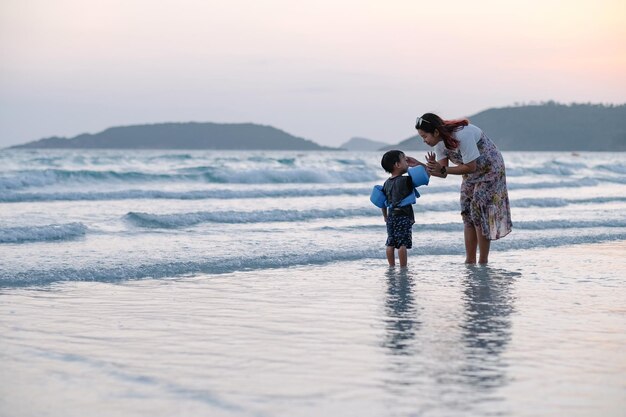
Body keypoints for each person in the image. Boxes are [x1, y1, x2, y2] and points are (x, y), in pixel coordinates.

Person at [412, 113, 512, 264]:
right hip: (470, 173)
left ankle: (483, 261)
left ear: (436, 132)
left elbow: (470, 167)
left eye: (424, 136)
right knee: (467, 211)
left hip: (490, 170)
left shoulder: (462, 135)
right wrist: (421, 165)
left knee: (478, 208)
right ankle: (470, 260)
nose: (424, 140)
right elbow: (442, 172)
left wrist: (443, 169)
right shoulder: (438, 143)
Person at [379, 150, 426, 267]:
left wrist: (385, 216)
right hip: (403, 216)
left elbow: (382, 202)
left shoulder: (386, 183)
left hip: (391, 216)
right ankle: (403, 267)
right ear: (397, 165)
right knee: (402, 244)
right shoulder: (406, 180)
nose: (408, 162)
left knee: (390, 242)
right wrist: (419, 165)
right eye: (405, 160)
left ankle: (391, 266)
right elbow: (424, 176)